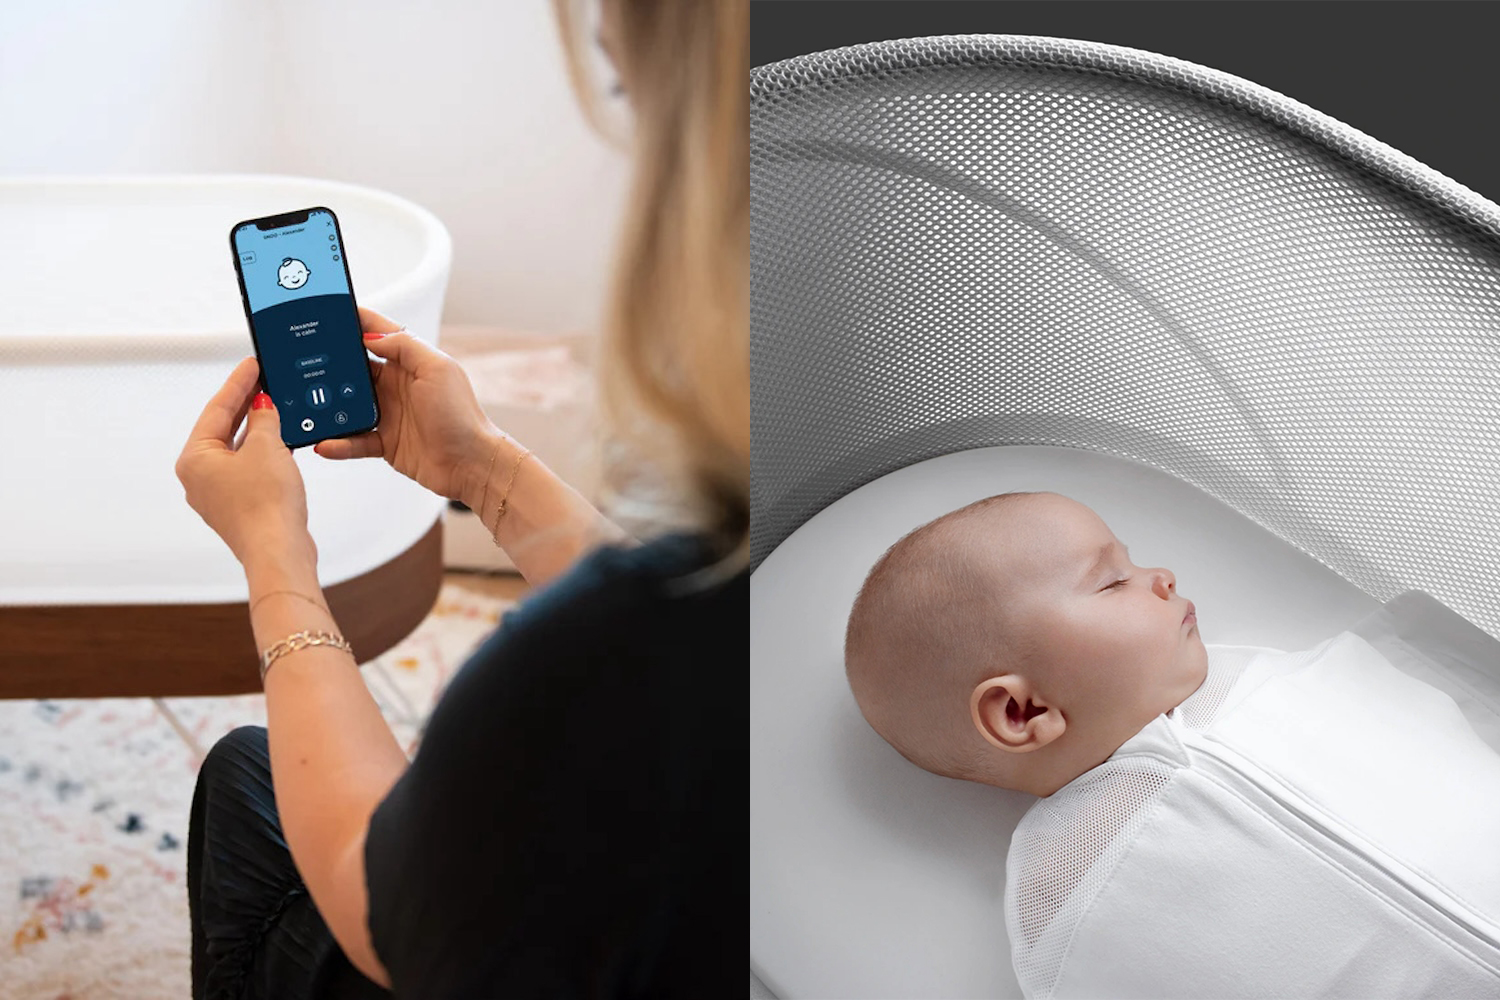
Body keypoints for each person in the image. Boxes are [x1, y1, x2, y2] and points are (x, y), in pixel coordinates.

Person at [172, 0, 747, 996]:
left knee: (248, 779)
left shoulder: (587, 662)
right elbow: (690, 608)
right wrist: (484, 467)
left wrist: (275, 553)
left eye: (629, 87)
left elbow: (377, 910)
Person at [843, 490, 1205, 798]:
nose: (1164, 577)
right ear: (1024, 711)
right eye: (1113, 582)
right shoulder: (1072, 861)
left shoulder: (1246, 678)